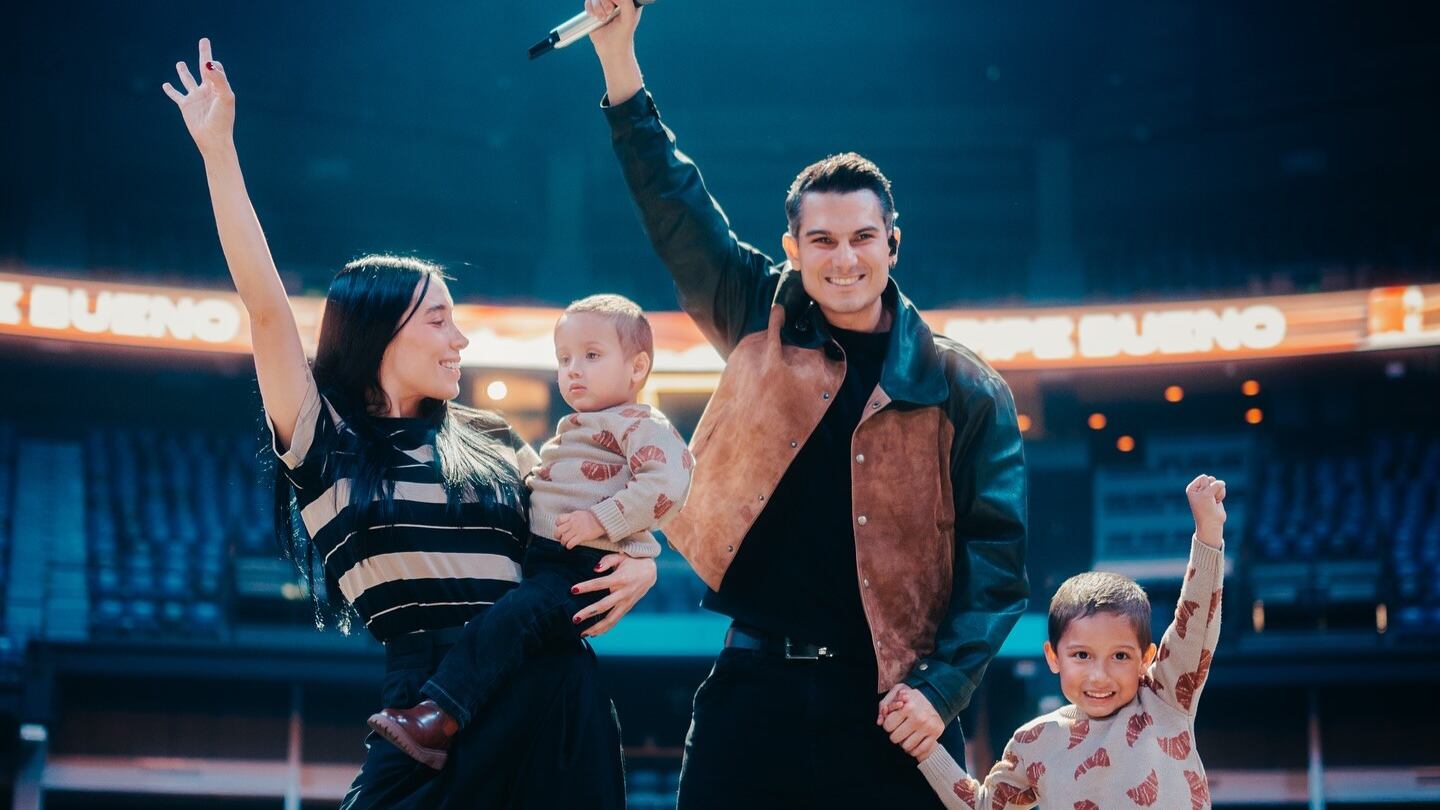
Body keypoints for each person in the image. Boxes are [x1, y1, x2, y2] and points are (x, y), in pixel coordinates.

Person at [163, 39, 655, 809]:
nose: (460, 339)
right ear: (380, 331)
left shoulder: (494, 438)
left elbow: (575, 534)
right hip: (426, 700)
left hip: (555, 689)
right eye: (438, 320)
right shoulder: (324, 440)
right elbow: (264, 308)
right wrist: (219, 151)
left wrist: (642, 563)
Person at [580, 4, 1031, 806]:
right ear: (793, 249)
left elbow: (996, 565)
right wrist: (619, 58)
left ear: (893, 244)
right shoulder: (757, 311)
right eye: (821, 240)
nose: (843, 258)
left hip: (898, 704)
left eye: (862, 238)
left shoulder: (965, 388)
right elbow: (673, 205)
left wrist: (942, 689)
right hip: (752, 692)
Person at [369, 294, 692, 769]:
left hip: (580, 565)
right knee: (507, 628)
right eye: (564, 359)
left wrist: (602, 520)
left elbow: (669, 482)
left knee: (508, 622)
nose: (574, 370)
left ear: (637, 367)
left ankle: (440, 718)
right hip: (548, 561)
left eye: (592, 356)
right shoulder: (577, 426)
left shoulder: (641, 423)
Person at [914, 475, 1226, 809]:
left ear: (1146, 658)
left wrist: (1208, 532)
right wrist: (926, 748)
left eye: (1120, 656)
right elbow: (983, 806)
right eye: (1082, 655)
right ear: (1053, 657)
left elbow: (1195, 624)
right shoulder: (1034, 742)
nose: (1099, 676)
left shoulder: (1165, 699)